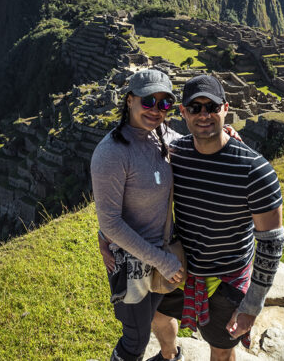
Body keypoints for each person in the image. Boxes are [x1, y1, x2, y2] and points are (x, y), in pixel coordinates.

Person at [148, 74, 284, 361]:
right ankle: (170, 355)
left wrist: (251, 305)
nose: (204, 115)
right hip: (181, 268)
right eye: (195, 108)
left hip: (227, 279)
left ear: (225, 108)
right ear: (182, 113)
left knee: (221, 350)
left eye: (211, 106)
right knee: (157, 316)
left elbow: (271, 245)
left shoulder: (256, 171)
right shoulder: (177, 153)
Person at [91, 69, 185, 361]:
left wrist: (226, 136)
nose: (156, 110)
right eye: (148, 101)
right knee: (135, 340)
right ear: (130, 100)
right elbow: (110, 222)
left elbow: (200, 147)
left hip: (163, 254)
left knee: (159, 313)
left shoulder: (166, 137)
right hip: (131, 263)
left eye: (164, 104)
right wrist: (164, 261)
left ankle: (170, 356)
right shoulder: (112, 152)